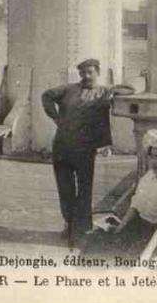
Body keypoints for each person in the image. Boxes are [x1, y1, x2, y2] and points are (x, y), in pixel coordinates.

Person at [41, 59, 132, 246]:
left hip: (85, 149)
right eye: (83, 73)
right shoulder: (68, 90)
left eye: (90, 72)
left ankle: (81, 230)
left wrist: (113, 88)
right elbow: (46, 96)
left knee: (84, 190)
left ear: (97, 72)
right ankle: (70, 224)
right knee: (65, 189)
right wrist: (57, 118)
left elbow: (130, 90)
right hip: (62, 146)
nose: (86, 76)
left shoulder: (104, 92)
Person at [91, 129, 157, 257]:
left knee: (106, 252)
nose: (154, 162)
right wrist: (121, 226)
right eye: (152, 157)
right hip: (137, 225)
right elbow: (136, 204)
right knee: (95, 239)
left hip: (152, 233)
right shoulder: (149, 177)